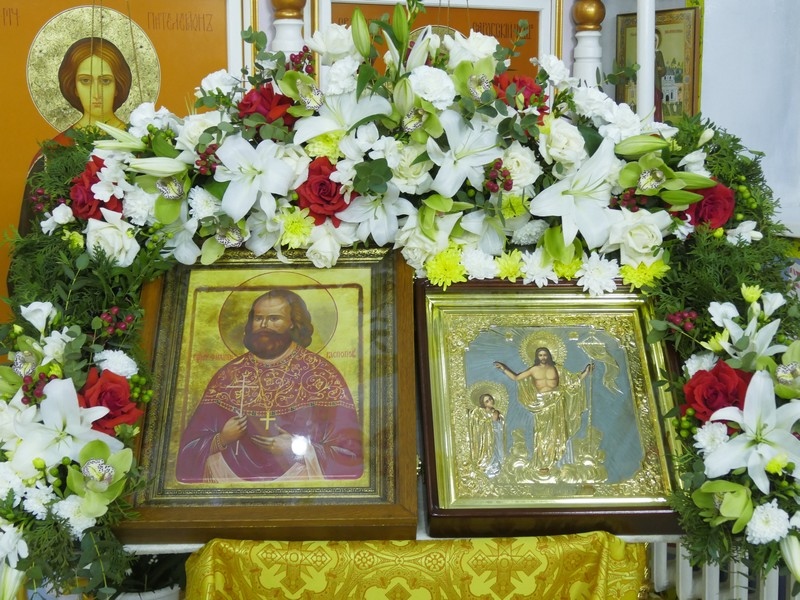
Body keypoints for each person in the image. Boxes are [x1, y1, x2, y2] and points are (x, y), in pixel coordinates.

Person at [176, 289, 364, 483]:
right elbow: (186, 453)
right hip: (227, 481)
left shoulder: (321, 374)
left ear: (293, 323)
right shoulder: (229, 375)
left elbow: (350, 454)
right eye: (259, 318)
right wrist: (220, 439)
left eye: (274, 318)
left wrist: (299, 449)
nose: (264, 325)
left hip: (300, 485)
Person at [494, 348, 592, 478]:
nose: (543, 357)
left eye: (545, 355)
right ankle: (542, 462)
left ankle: (555, 460)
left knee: (556, 431)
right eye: (540, 355)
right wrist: (504, 369)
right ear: (537, 357)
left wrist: (586, 372)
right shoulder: (534, 370)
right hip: (541, 404)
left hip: (556, 402)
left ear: (549, 356)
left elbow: (572, 381)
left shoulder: (558, 369)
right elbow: (517, 378)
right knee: (541, 433)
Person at [58, 37, 132, 133]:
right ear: (75, 89)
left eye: (105, 81)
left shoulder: (138, 138)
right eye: (85, 81)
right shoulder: (61, 142)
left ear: (117, 88)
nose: (96, 94)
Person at [468, 393, 503, 477]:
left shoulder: (496, 412)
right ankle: (486, 466)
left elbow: (498, 424)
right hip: (485, 438)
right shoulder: (480, 413)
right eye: (487, 401)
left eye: (490, 399)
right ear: (483, 404)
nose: (490, 401)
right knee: (486, 452)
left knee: (495, 451)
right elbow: (476, 425)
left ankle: (495, 467)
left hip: (495, 436)